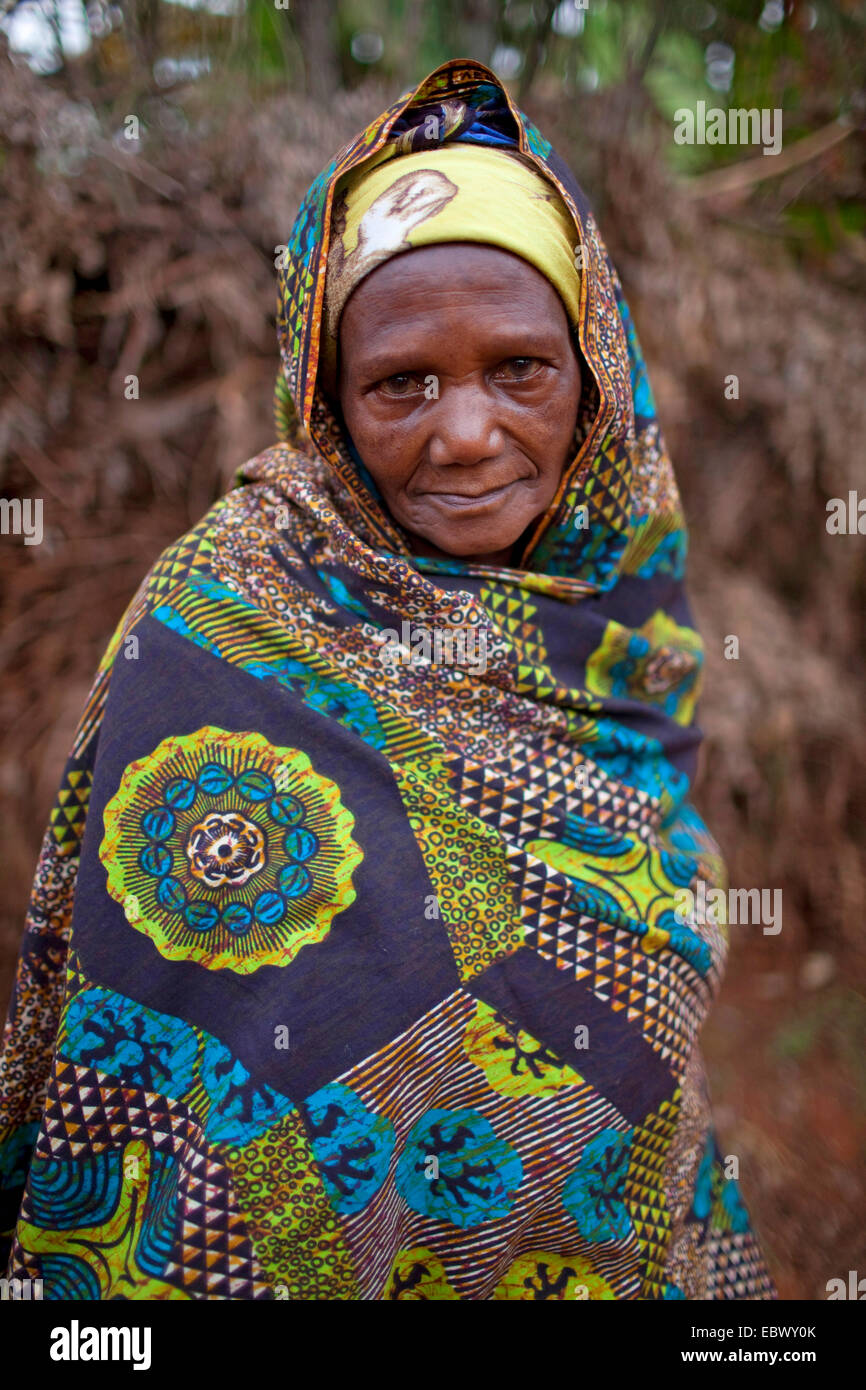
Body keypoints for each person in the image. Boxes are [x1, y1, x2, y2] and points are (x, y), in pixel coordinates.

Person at [0, 59, 776, 1300]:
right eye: (401, 381)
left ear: (594, 378)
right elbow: (162, 1051)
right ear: (325, 395)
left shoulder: (624, 633)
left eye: (519, 367)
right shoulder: (217, 625)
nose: (464, 432)